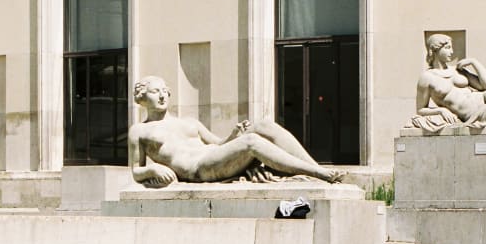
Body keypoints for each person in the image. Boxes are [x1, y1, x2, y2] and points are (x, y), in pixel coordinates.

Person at [129, 75, 344, 188]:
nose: (162, 96)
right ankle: (316, 173)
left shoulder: (189, 122)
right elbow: (135, 171)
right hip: (198, 169)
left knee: (263, 125)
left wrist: (233, 136)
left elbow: (219, 144)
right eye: (155, 92)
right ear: (142, 97)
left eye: (165, 91)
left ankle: (315, 167)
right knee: (250, 141)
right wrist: (152, 170)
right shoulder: (140, 130)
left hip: (215, 156)